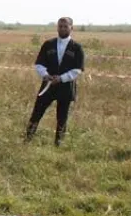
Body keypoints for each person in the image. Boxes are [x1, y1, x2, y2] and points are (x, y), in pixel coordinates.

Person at [24, 17, 85, 146]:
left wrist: (61, 78)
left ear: (71, 28)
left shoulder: (77, 48)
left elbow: (78, 69)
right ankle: (27, 139)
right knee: (37, 112)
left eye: (65, 26)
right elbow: (39, 64)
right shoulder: (48, 44)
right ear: (57, 27)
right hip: (48, 85)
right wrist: (45, 75)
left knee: (62, 117)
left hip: (66, 87)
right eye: (60, 26)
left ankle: (58, 144)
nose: (62, 29)